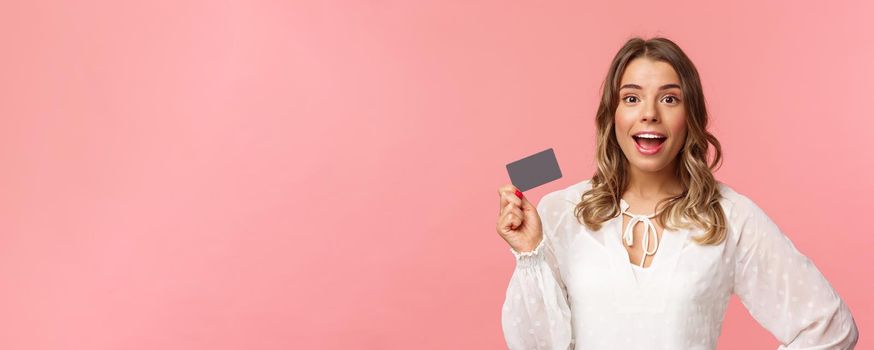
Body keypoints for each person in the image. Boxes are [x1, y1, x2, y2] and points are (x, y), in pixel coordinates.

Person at [495, 37, 859, 349]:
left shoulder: (730, 216)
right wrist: (530, 253)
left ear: (691, 117)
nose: (650, 114)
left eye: (669, 99)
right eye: (632, 98)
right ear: (612, 115)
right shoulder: (561, 210)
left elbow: (830, 329)